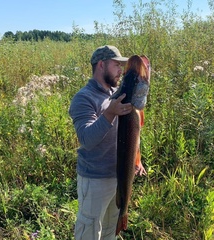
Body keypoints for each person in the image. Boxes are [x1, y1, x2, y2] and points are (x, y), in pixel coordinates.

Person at [69, 45, 146, 240]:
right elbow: (86, 139)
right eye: (117, 65)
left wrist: (136, 160)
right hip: (95, 180)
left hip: (118, 177)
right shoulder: (84, 98)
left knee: (110, 232)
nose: (121, 70)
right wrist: (110, 112)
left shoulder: (117, 92)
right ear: (101, 65)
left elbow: (131, 133)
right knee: (89, 232)